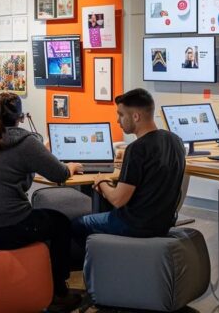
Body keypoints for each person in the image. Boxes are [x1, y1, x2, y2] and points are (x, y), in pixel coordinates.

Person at [0, 92, 83, 311]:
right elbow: (59, 174)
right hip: (2, 230)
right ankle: (58, 293)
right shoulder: (26, 142)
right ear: (21, 116)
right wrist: (70, 166)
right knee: (60, 223)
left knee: (42, 218)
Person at [72, 89, 187, 249]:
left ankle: (92, 267)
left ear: (135, 117)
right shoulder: (175, 140)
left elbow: (118, 200)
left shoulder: (137, 149)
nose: (117, 120)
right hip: (163, 223)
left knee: (77, 224)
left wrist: (101, 181)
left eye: (120, 115)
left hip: (136, 225)